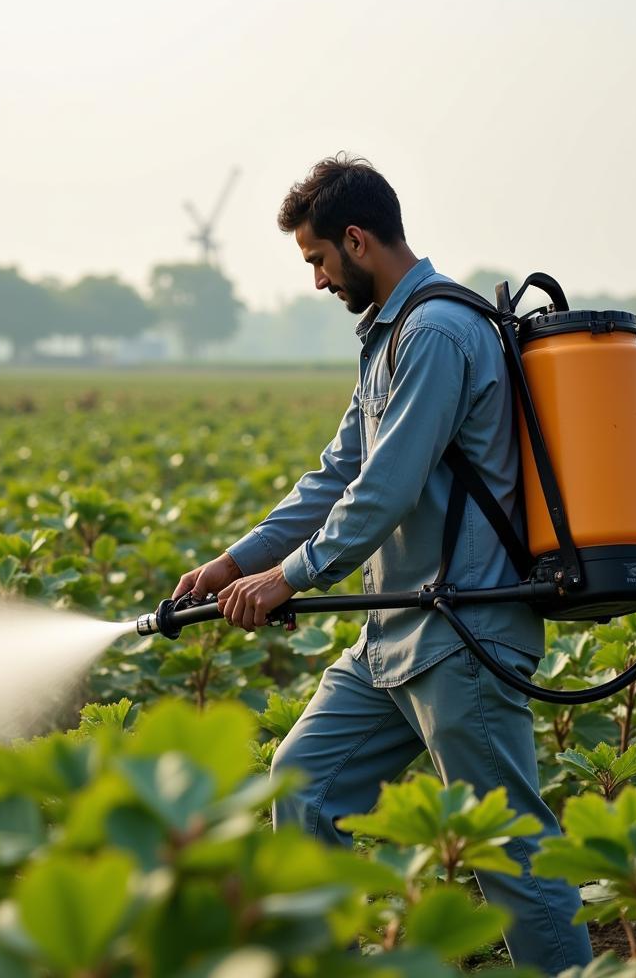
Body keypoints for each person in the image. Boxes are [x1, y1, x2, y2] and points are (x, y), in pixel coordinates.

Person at [172, 154, 593, 973]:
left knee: (507, 850)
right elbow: (334, 475)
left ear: (356, 241)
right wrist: (232, 562)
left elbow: (385, 489)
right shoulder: (392, 335)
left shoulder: (436, 331)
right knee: (304, 782)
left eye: (317, 260)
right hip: (395, 632)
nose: (318, 280)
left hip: (463, 637)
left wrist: (288, 578)